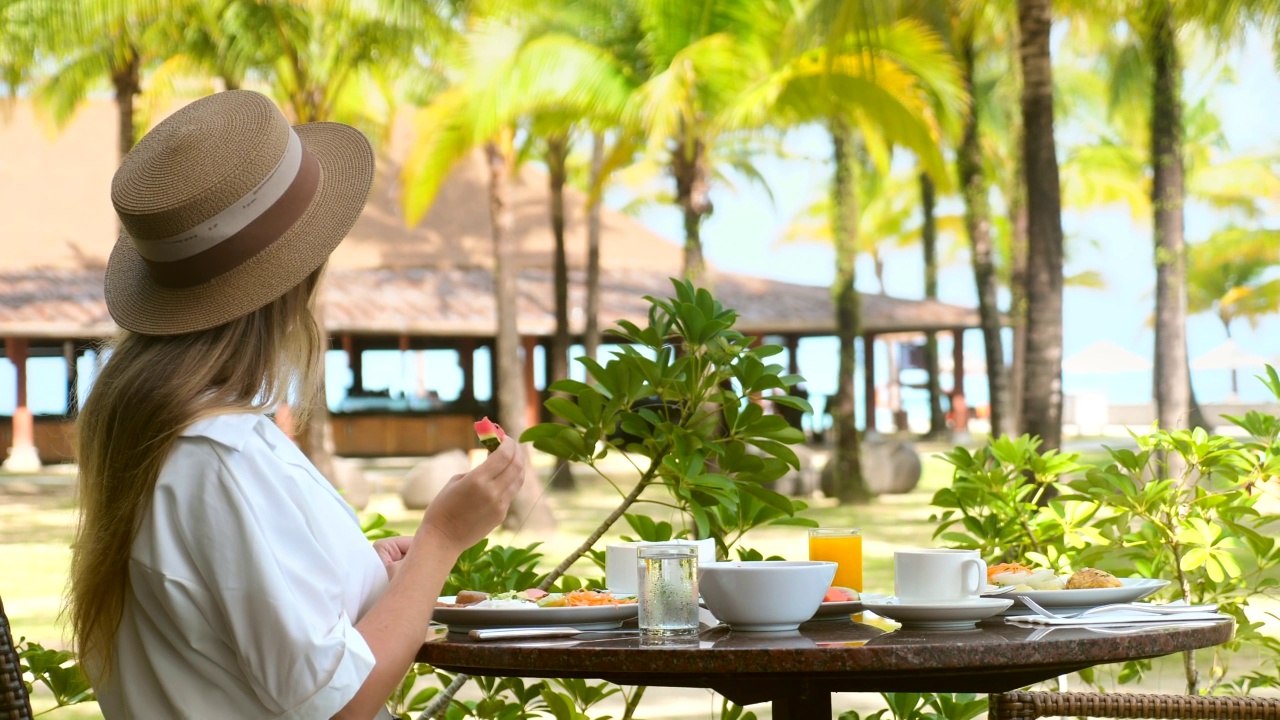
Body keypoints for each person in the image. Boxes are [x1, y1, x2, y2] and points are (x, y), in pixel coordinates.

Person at [67, 90, 526, 719]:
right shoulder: (217, 460)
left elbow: (253, 633)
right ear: (294, 285)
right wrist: (442, 539)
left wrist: (365, 569)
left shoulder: (169, 441)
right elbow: (341, 705)